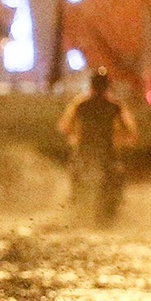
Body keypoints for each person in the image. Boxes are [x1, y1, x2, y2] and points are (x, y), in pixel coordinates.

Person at [57, 71, 138, 221]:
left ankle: (75, 200)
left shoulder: (81, 104)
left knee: (76, 175)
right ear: (107, 86)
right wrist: (123, 139)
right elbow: (129, 132)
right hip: (107, 151)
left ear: (91, 85)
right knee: (116, 176)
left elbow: (65, 128)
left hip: (84, 150)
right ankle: (113, 205)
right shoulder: (114, 106)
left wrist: (75, 135)